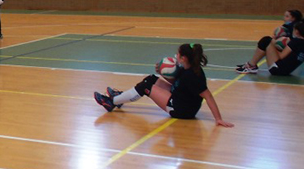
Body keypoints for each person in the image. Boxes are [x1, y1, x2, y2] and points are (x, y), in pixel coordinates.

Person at [94, 44, 234, 128]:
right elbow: (178, 85)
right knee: (151, 79)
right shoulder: (185, 68)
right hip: (181, 98)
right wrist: (161, 73)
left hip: (182, 110)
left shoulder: (193, 75)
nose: (176, 56)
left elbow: (208, 96)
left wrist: (218, 119)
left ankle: (111, 102)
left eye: (178, 54)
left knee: (145, 88)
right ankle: (120, 98)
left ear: (184, 58)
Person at [236, 10, 302, 74]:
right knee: (269, 41)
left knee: (266, 41)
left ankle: (251, 66)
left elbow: (281, 56)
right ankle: (251, 65)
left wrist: (274, 45)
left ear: (297, 31)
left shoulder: (295, 42)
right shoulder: (300, 42)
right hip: (287, 69)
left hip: (278, 69)